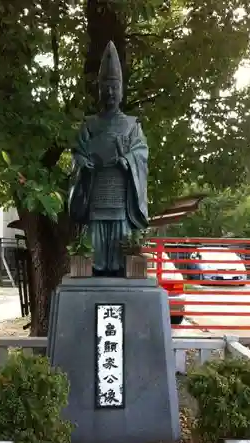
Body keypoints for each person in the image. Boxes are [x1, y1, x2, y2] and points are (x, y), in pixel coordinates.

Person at [69, 40, 148, 276]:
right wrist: (82, 164)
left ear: (122, 90)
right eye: (106, 87)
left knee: (120, 255)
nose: (111, 92)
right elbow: (77, 156)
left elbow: (141, 155)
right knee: (93, 257)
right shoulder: (89, 125)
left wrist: (129, 161)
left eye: (115, 87)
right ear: (100, 90)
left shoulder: (132, 125)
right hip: (95, 196)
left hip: (120, 200)